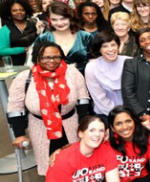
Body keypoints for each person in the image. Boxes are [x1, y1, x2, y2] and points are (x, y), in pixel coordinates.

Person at [8, 42, 90, 175]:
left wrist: (83, 124)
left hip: (71, 126)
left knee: (76, 164)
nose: (51, 61)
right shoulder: (24, 78)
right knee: (49, 167)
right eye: (46, 57)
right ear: (37, 57)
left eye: (56, 57)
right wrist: (19, 134)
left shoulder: (72, 73)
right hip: (40, 128)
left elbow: (83, 99)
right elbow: (15, 107)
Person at [34, 2, 93, 75]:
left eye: (63, 18)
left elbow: (95, 63)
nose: (59, 23)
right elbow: (37, 63)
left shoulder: (86, 37)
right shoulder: (43, 38)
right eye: (54, 19)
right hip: (53, 82)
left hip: (84, 80)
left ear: (70, 17)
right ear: (49, 19)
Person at [85, 31, 131, 119]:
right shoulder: (91, 68)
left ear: (118, 45)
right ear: (99, 49)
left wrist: (129, 112)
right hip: (105, 113)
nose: (110, 49)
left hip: (130, 112)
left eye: (113, 45)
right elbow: (99, 97)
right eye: (105, 46)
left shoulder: (130, 62)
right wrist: (118, 115)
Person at [0, 0, 42, 65]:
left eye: (22, 10)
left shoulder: (34, 24)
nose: (19, 12)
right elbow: (2, 50)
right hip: (17, 65)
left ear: (26, 11)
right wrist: (23, 49)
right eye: (14, 10)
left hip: (38, 63)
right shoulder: (5, 30)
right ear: (9, 13)